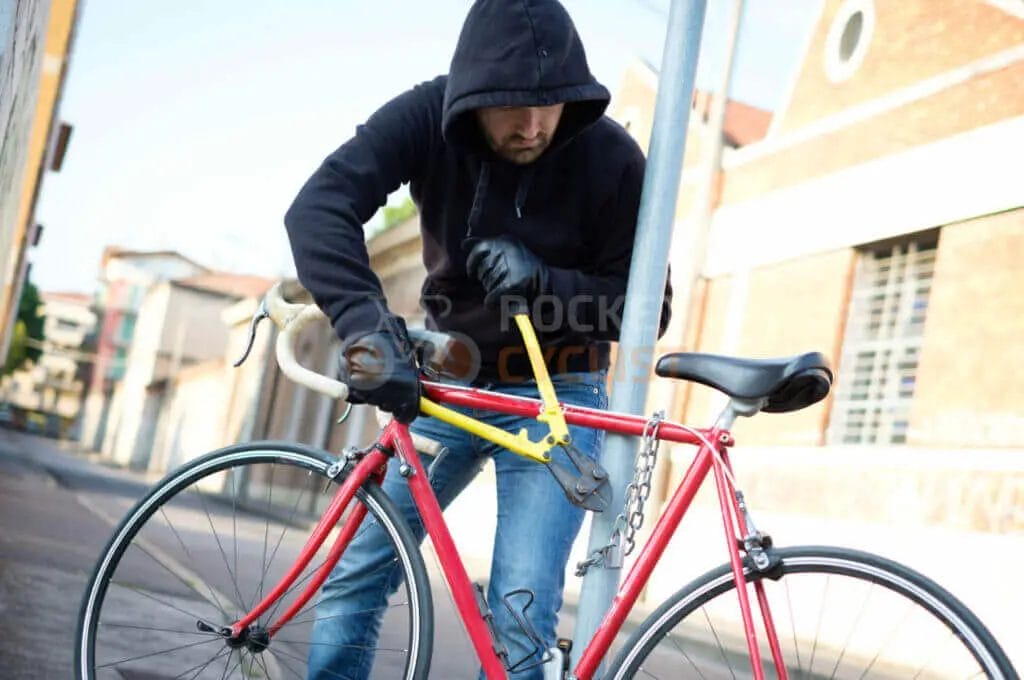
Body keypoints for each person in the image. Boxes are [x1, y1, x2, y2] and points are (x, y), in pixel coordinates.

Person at [284, 1, 671, 677]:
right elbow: (318, 207)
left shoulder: (611, 157)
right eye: (513, 108)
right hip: (449, 381)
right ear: (473, 97)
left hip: (560, 392)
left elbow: (648, 310)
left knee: (521, 614)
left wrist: (545, 281)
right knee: (357, 571)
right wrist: (370, 331)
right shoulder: (428, 118)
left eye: (549, 107)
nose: (533, 126)